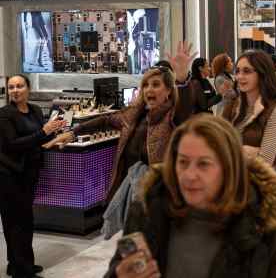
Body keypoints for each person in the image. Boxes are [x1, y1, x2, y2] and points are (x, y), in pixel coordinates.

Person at [104, 114, 276, 278]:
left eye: (204, 164)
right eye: (183, 162)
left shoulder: (262, 221)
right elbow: (117, 269)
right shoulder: (149, 209)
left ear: (228, 169)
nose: (189, 175)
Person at [47, 42, 196, 199]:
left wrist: (181, 79)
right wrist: (74, 132)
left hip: (158, 193)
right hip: (128, 189)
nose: (149, 89)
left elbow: (184, 108)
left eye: (156, 85)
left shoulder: (172, 116)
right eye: (145, 85)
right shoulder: (133, 115)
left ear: (168, 91)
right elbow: (105, 120)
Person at [0, 74, 66, 278]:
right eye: (11, 87)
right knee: (16, 223)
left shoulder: (36, 111)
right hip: (9, 174)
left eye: (19, 86)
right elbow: (12, 145)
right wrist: (43, 132)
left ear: (28, 89)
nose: (15, 90)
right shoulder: (4, 115)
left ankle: (16, 264)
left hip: (29, 173)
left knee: (25, 220)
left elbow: (38, 140)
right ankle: (23, 270)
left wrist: (55, 139)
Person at [223, 50, 276, 172]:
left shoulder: (275, 111)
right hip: (230, 183)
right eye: (237, 71)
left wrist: (232, 151)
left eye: (247, 71)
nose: (239, 76)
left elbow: (265, 162)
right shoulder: (233, 105)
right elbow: (217, 144)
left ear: (262, 74)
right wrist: (248, 152)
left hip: (257, 187)